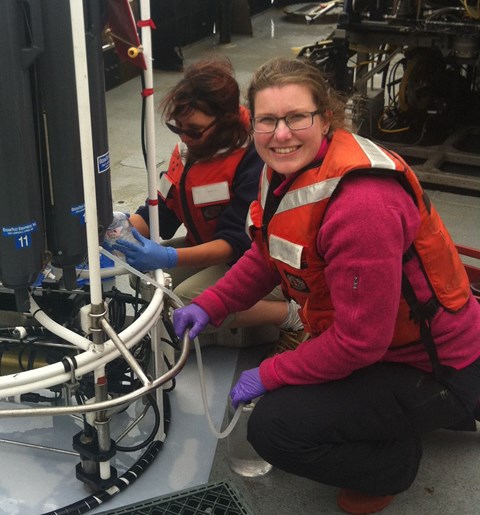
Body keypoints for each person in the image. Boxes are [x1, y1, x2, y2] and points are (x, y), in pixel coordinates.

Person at [172, 57, 480, 513]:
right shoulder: (279, 169)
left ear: (326, 117)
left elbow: (360, 343)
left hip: (436, 368)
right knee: (297, 390)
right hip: (391, 348)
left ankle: (393, 464)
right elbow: (267, 251)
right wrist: (212, 304)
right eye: (268, 120)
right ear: (250, 123)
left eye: (297, 117)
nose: (281, 134)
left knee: (275, 427)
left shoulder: (362, 205)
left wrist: (269, 374)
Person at [112, 57, 303, 345]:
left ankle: (290, 315)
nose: (185, 138)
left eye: (195, 130)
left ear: (225, 121)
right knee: (147, 281)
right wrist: (118, 230)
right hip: (209, 247)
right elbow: (163, 210)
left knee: (186, 300)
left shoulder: (255, 157)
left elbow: (236, 244)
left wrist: (168, 257)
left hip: (260, 263)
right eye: (179, 128)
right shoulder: (190, 148)